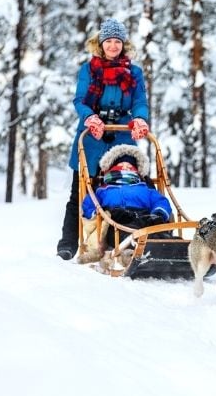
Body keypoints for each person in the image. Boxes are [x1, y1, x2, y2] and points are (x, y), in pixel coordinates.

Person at [56, 18, 151, 260]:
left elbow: (139, 101)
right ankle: (69, 243)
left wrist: (140, 119)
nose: (112, 46)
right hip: (91, 137)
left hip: (122, 133)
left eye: (117, 41)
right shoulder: (89, 70)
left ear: (123, 44)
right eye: (108, 41)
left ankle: (137, 235)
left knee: (131, 185)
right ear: (100, 43)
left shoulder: (134, 72)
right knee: (81, 190)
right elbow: (80, 100)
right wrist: (90, 117)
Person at [78, 144, 173, 264]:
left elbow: (160, 201)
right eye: (120, 167)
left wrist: (158, 212)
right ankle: (132, 252)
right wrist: (99, 214)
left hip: (144, 218)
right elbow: (88, 204)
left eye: (129, 167)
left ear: (136, 173)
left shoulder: (145, 189)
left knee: (154, 229)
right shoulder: (102, 190)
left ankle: (173, 246)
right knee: (126, 231)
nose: (124, 168)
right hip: (116, 221)